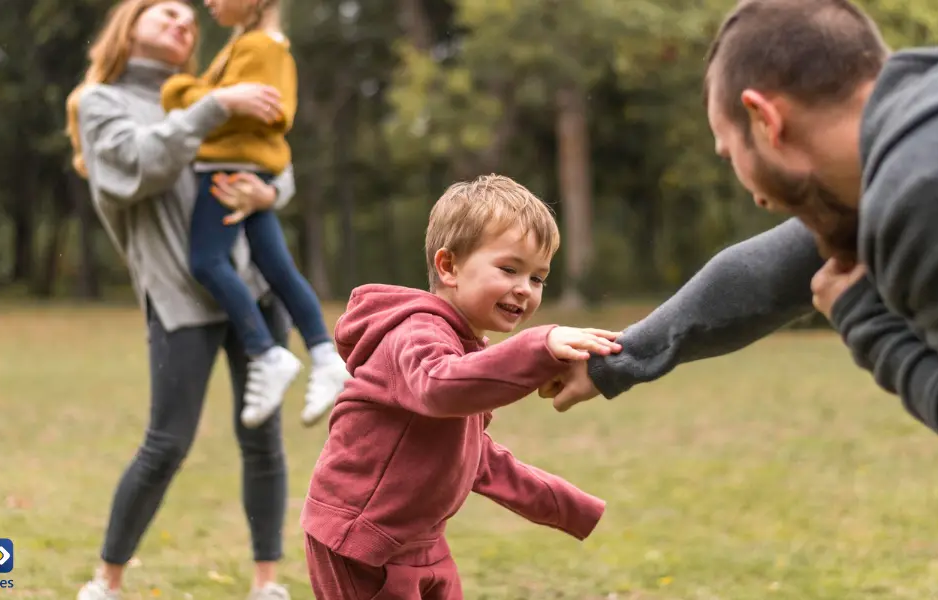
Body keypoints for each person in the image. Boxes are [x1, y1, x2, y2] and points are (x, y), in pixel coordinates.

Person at [543, 0, 938, 492]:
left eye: (732, 155)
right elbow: (775, 270)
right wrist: (613, 360)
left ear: (766, 119)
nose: (755, 194)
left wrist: (867, 323)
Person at [65, 1, 302, 598]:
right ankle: (108, 580)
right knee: (166, 443)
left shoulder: (215, 85)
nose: (184, 22)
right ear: (129, 25)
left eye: (190, 18)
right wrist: (215, 106)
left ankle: (266, 584)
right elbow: (136, 167)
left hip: (254, 289)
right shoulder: (102, 103)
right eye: (165, 12)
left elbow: (275, 158)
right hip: (180, 298)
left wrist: (268, 191)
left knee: (263, 445)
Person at [301, 175, 613, 600]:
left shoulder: (464, 350)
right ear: (449, 267)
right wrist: (538, 345)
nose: (525, 288)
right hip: (361, 542)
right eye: (509, 269)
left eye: (538, 278)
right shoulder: (416, 334)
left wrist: (564, 504)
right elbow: (439, 386)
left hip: (421, 541)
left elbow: (473, 456)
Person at [159, 0, 348, 429]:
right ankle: (324, 355)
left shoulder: (259, 48)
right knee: (277, 268)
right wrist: (215, 98)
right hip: (250, 169)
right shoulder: (252, 44)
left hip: (228, 171)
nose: (208, 2)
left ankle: (266, 352)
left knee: (206, 261)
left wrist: (180, 92)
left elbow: (243, 113)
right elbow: (227, 103)